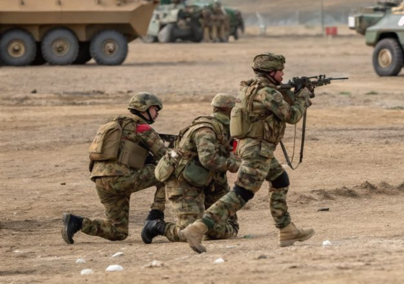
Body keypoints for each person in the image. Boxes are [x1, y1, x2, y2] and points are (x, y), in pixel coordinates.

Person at [180, 53, 314, 253]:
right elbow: (292, 115)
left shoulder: (249, 88)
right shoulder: (268, 93)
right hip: (258, 150)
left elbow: (269, 111)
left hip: (254, 147)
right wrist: (303, 97)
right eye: (281, 71)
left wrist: (292, 93)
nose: (283, 74)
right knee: (242, 193)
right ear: (271, 72)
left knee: (280, 180)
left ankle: (286, 229)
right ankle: (199, 227)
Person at [62, 93, 167, 244]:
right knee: (169, 171)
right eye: (155, 109)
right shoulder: (142, 128)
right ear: (144, 108)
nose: (157, 113)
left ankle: (77, 222)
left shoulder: (116, 126)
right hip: (121, 179)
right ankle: (155, 216)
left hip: (101, 181)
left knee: (118, 231)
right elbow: (165, 157)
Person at [141, 94, 241, 244]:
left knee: (224, 230)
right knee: (190, 232)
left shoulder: (225, 130)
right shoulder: (206, 130)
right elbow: (208, 159)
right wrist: (235, 164)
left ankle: (207, 224)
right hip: (183, 183)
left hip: (207, 181)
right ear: (230, 111)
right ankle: (156, 226)